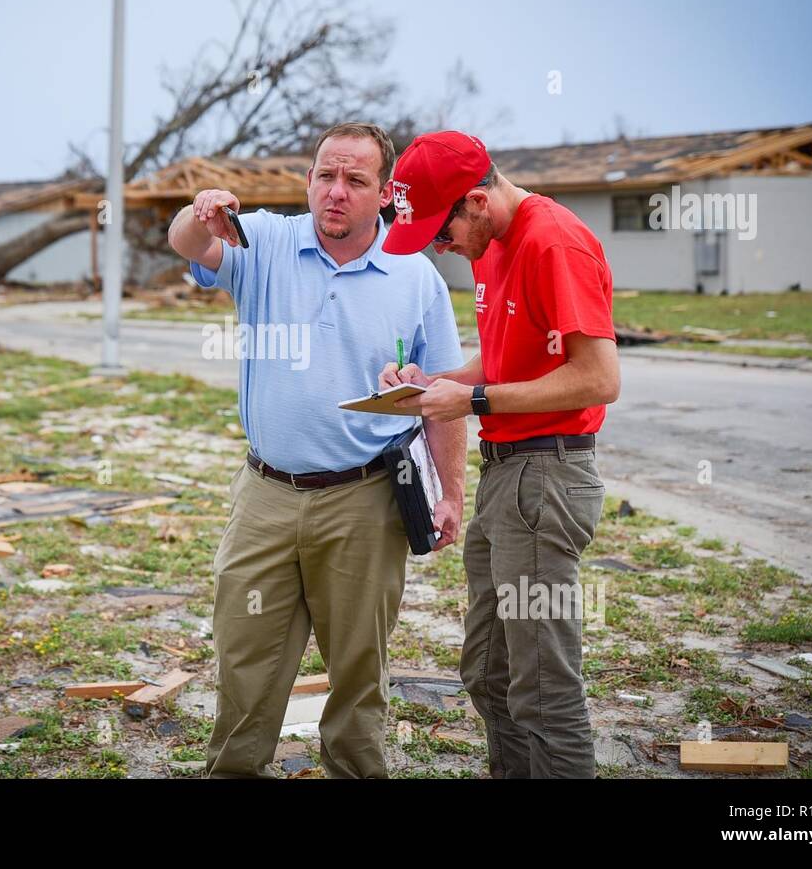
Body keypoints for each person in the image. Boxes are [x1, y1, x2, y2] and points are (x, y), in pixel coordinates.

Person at [167, 122, 466, 778]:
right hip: (265, 498)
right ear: (309, 179)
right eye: (325, 175)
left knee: (359, 678)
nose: (336, 192)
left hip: (366, 503)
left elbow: (445, 396)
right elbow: (189, 244)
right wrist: (199, 213)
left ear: (384, 192)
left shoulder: (416, 279)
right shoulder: (266, 241)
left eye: (355, 180)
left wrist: (451, 494)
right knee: (244, 670)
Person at [379, 131, 621, 778]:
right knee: (487, 672)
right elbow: (505, 355)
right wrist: (440, 384)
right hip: (503, 475)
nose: (441, 247)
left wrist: (476, 402)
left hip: (547, 477)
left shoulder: (553, 241)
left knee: (543, 690)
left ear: (478, 201)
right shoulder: (491, 245)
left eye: (442, 232)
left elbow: (599, 378)